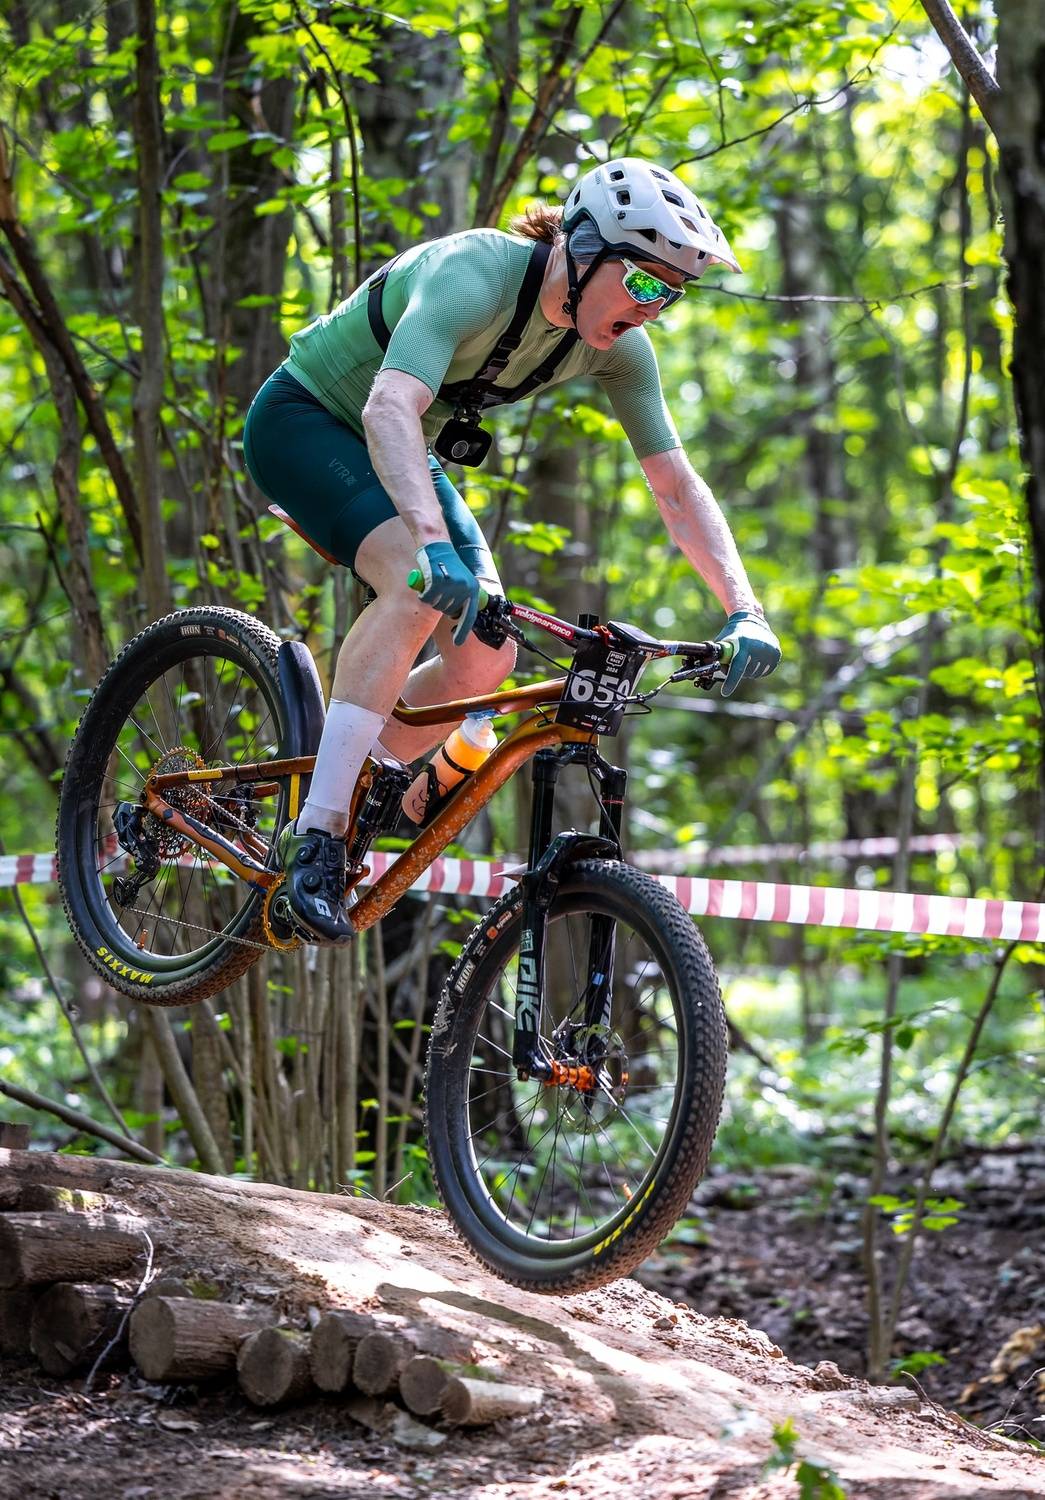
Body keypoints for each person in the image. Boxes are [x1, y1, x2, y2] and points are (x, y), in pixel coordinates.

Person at [243, 157, 781, 944]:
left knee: (485, 656)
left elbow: (674, 485)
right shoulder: (473, 273)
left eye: (671, 294)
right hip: (306, 420)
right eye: (643, 283)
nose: (652, 309)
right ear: (584, 249)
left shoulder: (620, 350)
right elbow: (389, 404)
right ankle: (315, 835)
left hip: (403, 446)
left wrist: (744, 609)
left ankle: (338, 779)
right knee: (418, 586)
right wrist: (431, 544)